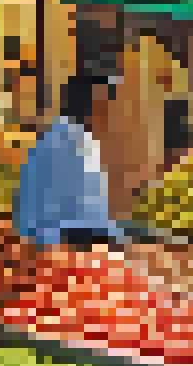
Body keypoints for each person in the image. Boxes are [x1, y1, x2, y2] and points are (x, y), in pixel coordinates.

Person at [14, 74, 124, 246]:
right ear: (92, 104)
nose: (114, 112)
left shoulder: (69, 138)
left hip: (60, 240)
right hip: (60, 246)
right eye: (108, 102)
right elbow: (87, 214)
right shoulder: (70, 145)